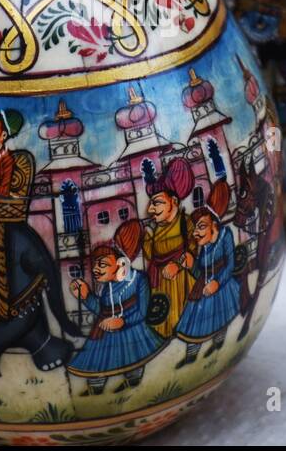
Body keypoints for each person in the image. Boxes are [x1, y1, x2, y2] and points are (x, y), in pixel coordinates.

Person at [68, 220, 163, 394]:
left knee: (132, 360)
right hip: (105, 332)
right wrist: (86, 296)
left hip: (131, 329)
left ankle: (132, 384)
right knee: (97, 363)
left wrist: (123, 322)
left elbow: (143, 312)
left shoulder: (138, 280)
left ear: (120, 265)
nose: (96, 270)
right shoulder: (107, 287)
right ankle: (95, 391)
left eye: (102, 264)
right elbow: (102, 309)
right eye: (95, 264)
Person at [174, 191, 239, 367]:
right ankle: (190, 356)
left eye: (201, 226)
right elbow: (200, 272)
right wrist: (191, 265)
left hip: (222, 285)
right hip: (205, 285)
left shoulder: (225, 236)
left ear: (214, 225)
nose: (196, 232)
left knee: (221, 318)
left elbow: (230, 264)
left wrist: (218, 283)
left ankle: (217, 344)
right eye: (195, 228)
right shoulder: (204, 247)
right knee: (194, 322)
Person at [142, 158, 195, 340]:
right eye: (151, 203)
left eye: (156, 203)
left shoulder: (185, 223)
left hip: (179, 281)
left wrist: (178, 266)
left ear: (173, 201)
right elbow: (152, 256)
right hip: (159, 284)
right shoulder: (157, 229)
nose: (150, 209)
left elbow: (192, 254)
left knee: (183, 321)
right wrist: (147, 239)